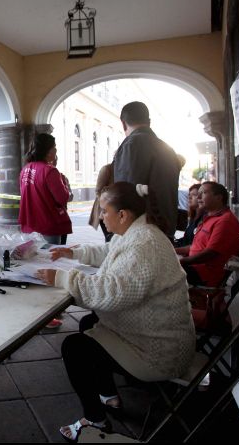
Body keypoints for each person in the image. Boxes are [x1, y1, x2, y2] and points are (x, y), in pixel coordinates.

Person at [35, 182, 195, 440]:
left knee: (74, 348)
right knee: (89, 323)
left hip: (161, 351)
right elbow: (110, 251)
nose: (100, 216)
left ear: (123, 214)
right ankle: (108, 396)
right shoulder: (136, 233)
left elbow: (112, 292)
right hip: (156, 335)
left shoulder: (145, 245)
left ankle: (96, 421)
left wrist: (63, 278)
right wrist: (73, 252)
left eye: (103, 211)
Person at [112, 101, 181, 238]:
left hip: (141, 231)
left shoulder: (131, 145)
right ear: (149, 122)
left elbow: (126, 192)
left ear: (123, 123)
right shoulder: (167, 148)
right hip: (165, 226)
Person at [176, 181, 239, 287]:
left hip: (205, 274)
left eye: (204, 193)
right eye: (198, 193)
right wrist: (173, 251)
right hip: (195, 267)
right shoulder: (209, 218)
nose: (199, 197)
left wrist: (181, 261)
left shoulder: (225, 221)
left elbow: (210, 253)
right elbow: (196, 246)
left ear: (219, 198)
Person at [19, 133, 73, 245]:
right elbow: (62, 198)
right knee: (51, 260)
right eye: (54, 147)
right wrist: (66, 186)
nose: (56, 150)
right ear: (47, 151)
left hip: (28, 226)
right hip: (47, 226)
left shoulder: (25, 169)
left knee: (34, 260)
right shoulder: (49, 171)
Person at [89, 162, 114, 242]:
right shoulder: (107, 169)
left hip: (116, 209)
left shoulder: (123, 169)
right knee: (110, 238)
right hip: (104, 210)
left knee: (114, 239)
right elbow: (98, 191)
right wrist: (106, 207)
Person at [174, 183, 203, 248]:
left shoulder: (204, 218)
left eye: (194, 195)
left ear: (201, 197)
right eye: (189, 195)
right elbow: (185, 240)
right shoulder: (193, 218)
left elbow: (197, 246)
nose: (189, 197)